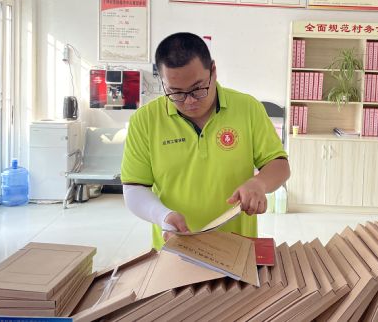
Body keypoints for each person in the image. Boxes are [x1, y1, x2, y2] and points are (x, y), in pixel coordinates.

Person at [121, 32, 290, 250]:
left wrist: (259, 183)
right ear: (163, 83)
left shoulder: (248, 108)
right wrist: (162, 215)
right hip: (175, 248)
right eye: (176, 93)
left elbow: (279, 165)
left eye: (198, 88)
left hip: (237, 247)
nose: (189, 101)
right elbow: (134, 188)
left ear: (213, 71)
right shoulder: (145, 120)